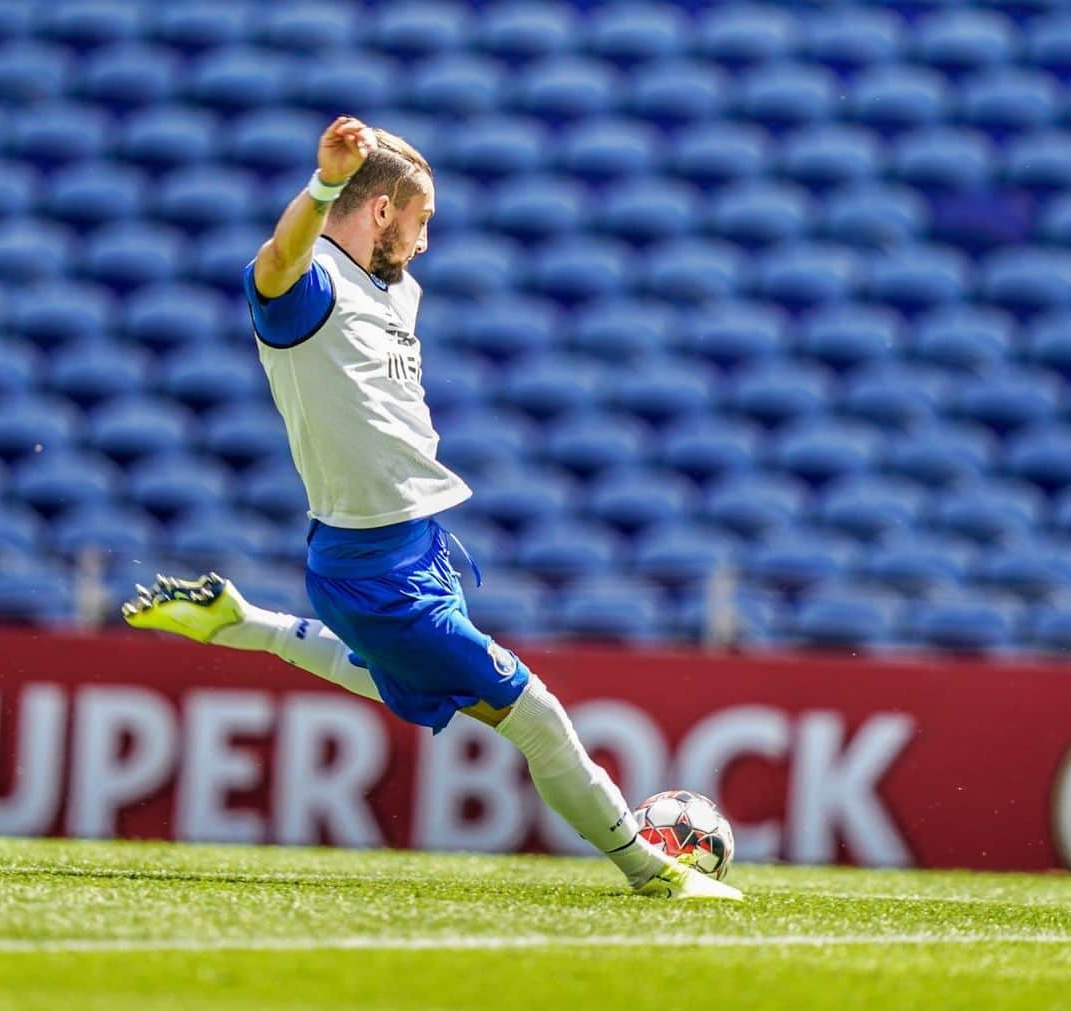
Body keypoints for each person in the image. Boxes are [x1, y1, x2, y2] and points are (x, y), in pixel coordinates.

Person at [123, 117, 741, 902]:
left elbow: (384, 239)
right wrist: (326, 183)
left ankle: (248, 626)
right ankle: (655, 874)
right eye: (421, 220)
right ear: (380, 212)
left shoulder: (396, 290)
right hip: (370, 563)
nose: (425, 241)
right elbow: (277, 261)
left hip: (414, 544)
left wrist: (389, 155)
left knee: (426, 690)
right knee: (534, 715)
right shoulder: (306, 294)